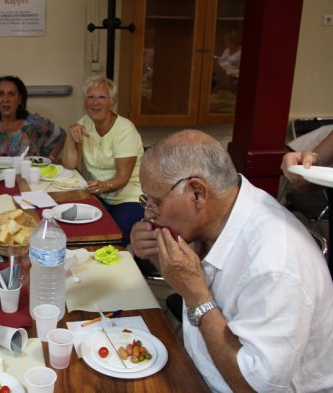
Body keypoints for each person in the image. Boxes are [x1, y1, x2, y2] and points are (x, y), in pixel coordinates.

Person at [130, 130, 333, 392]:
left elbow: (254, 386)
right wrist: (157, 255)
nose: (149, 214)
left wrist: (198, 299)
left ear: (197, 193)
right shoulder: (220, 211)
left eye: (155, 201)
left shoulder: (275, 264)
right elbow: (189, 279)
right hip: (204, 369)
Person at [61, 75, 144, 247]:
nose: (95, 102)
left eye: (102, 97)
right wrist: (70, 133)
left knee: (111, 238)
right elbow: (70, 165)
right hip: (100, 194)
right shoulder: (84, 123)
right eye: (90, 97)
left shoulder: (125, 130)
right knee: (77, 229)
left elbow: (122, 177)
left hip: (130, 197)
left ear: (112, 102)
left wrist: (103, 186)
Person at [0, 75, 65, 159]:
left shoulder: (33, 122)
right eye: (1, 94)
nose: (5, 99)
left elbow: (62, 136)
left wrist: (50, 160)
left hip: (28, 178)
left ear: (19, 99)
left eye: (11, 94)